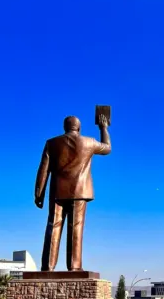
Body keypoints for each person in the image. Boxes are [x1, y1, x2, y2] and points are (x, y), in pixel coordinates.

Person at [35, 114, 111, 271]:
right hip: (80, 191)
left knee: (53, 226)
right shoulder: (89, 142)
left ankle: (47, 266)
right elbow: (107, 148)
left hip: (57, 191)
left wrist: (38, 193)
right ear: (79, 128)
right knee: (76, 227)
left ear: (64, 127)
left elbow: (43, 170)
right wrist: (103, 128)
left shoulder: (52, 143)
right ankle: (74, 267)